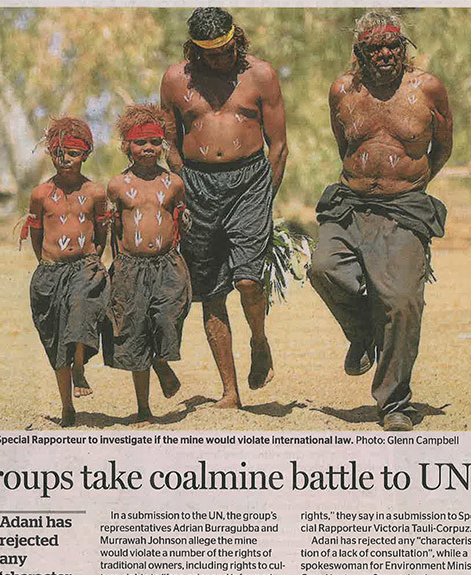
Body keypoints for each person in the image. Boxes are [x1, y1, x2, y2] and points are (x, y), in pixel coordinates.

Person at [308, 11, 452, 431]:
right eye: (375, 48)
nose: (385, 54)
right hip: (349, 202)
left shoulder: (428, 88)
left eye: (393, 46)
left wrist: (403, 185)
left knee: (402, 302)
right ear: (360, 52)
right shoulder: (342, 90)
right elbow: (344, 143)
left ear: (403, 49)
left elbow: (442, 148)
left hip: (404, 206)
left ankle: (394, 404)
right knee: (323, 269)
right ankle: (362, 334)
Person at [160, 7, 288, 408]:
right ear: (195, 52)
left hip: (249, 182)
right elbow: (168, 139)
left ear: (238, 39)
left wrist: (265, 195)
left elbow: (278, 144)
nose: (222, 59)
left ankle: (259, 338)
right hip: (198, 185)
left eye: (227, 49)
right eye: (212, 54)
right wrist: (184, 185)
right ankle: (230, 392)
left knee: (248, 280)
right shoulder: (175, 80)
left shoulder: (260, 75)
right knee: (211, 293)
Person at [103, 104, 192, 423]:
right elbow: (112, 231)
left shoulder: (174, 184)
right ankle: (143, 408)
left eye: (155, 142)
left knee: (167, 318)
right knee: (136, 332)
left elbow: (182, 221)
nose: (149, 149)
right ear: (127, 145)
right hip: (130, 268)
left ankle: (162, 361)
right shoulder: (116, 186)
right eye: (141, 143)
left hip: (167, 265)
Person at [22, 117, 109, 427]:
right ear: (51, 154)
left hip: (84, 266)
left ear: (85, 154)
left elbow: (101, 232)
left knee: (80, 306)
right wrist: (44, 261)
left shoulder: (96, 192)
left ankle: (80, 366)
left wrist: (95, 259)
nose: (66, 160)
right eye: (60, 153)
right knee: (56, 338)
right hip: (50, 270)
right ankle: (66, 406)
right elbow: (35, 233)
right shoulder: (40, 194)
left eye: (73, 153)